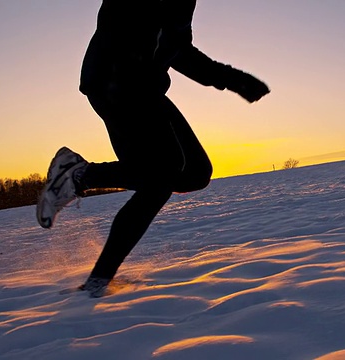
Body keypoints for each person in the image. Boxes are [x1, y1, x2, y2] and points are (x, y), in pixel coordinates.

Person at [36, 0, 270, 297]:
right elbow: (114, 21)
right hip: (114, 80)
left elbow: (179, 50)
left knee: (194, 173)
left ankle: (80, 176)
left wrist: (232, 79)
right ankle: (98, 280)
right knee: (162, 175)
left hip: (146, 88)